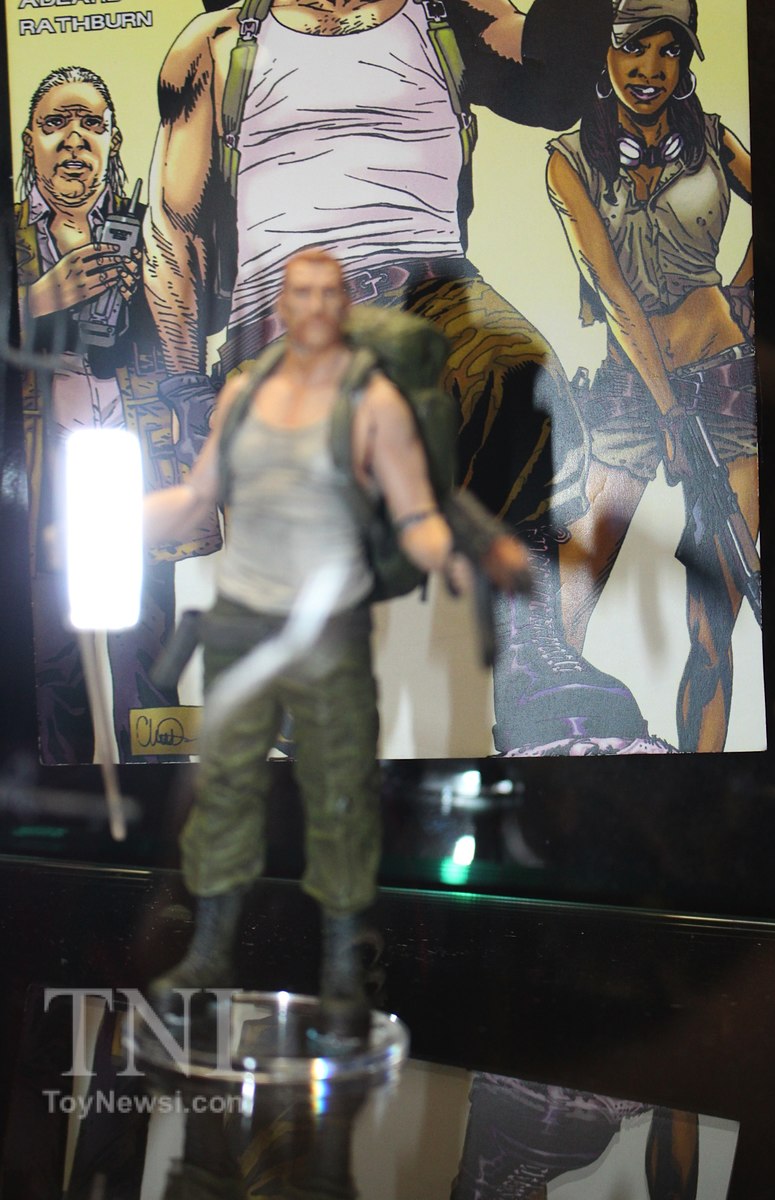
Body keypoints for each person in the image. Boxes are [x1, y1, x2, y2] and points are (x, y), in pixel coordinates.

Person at [142, 0, 615, 755]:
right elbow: (174, 227)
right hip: (286, 314)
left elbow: (552, 85)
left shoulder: (444, 11)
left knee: (519, 373)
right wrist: (180, 389)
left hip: (432, 291)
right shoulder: (220, 42)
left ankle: (534, 662)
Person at [145, 249, 529, 1042]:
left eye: (330, 294)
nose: (317, 308)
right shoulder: (245, 393)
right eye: (303, 294)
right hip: (245, 623)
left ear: (344, 305)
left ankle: (344, 973)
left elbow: (416, 512)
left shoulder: (373, 401)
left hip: (330, 629)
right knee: (228, 792)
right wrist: (116, 521)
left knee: (339, 800)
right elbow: (200, 493)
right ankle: (209, 952)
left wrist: (457, 555)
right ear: (284, 307)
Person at [545, 0, 757, 752]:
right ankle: (556, 763)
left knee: (714, 624)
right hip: (631, 395)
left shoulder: (713, 138)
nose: (651, 68)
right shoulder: (569, 160)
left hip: (727, 387)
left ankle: (705, 781)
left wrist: (742, 294)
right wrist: (669, 410)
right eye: (635, 47)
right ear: (605, 53)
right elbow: (612, 291)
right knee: (565, 605)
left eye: (671, 50)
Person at [16, 66, 216, 764]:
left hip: (139, 476)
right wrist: (35, 302)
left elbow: (194, 334)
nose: (75, 139)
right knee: (54, 674)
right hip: (43, 484)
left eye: (92, 124)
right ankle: (63, 815)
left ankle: (159, 809)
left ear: (113, 140)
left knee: (149, 668)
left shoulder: (152, 231)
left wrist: (154, 296)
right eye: (56, 123)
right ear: (30, 141)